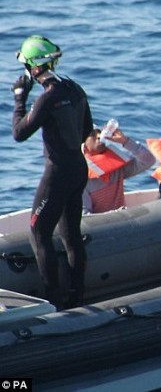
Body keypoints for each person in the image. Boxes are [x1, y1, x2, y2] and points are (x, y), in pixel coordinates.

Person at [11, 35, 93, 308]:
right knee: (71, 235)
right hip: (78, 168)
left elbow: (19, 133)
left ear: (33, 68)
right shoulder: (75, 88)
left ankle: (53, 300)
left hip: (57, 173)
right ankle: (77, 295)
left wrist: (20, 99)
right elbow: (86, 131)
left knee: (38, 232)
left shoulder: (47, 99)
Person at [83, 123, 156, 214]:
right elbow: (85, 216)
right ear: (83, 143)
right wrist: (115, 214)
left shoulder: (116, 167)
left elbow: (149, 160)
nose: (98, 136)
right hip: (102, 225)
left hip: (121, 221)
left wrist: (125, 141)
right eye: (92, 135)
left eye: (99, 133)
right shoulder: (82, 177)